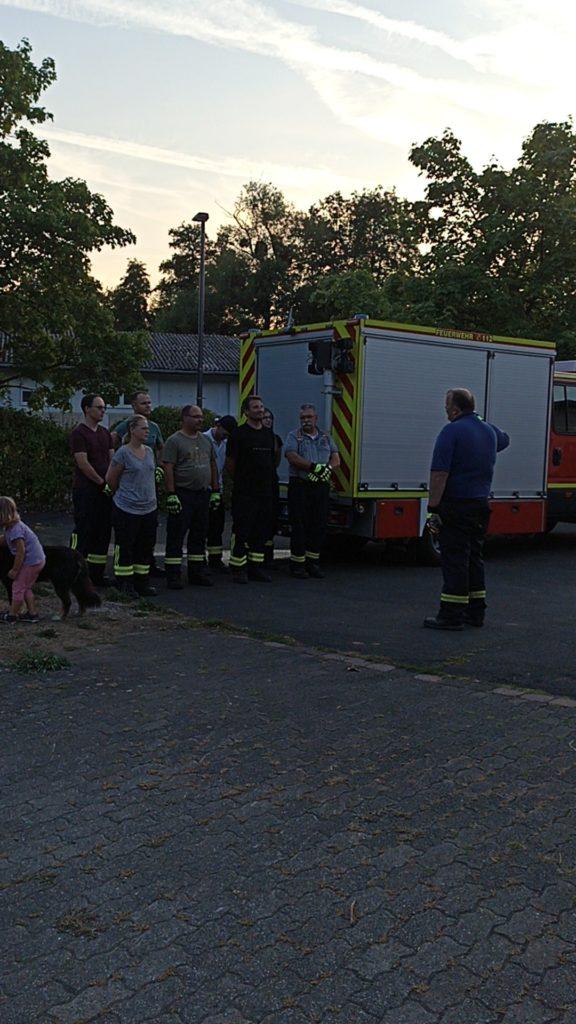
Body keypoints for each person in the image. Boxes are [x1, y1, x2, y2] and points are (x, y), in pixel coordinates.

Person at [424, 388, 510, 631]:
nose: (444, 409)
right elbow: (505, 440)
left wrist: (433, 508)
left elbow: (440, 473)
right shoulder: (488, 431)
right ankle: (476, 612)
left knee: (454, 559)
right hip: (480, 504)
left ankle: (451, 615)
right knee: (474, 557)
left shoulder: (450, 431)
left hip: (456, 504)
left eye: (446, 404)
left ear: (455, 409)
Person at [162, 405, 219, 589]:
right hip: (183, 494)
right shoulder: (174, 441)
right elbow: (168, 467)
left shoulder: (205, 440)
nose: (200, 420)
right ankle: (173, 575)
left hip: (202, 494)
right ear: (185, 418)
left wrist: (215, 490)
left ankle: (197, 572)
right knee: (176, 535)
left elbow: (212, 464)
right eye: (195, 417)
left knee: (199, 534)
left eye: (201, 417)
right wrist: (171, 493)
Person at [111, 391, 165, 577]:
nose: (148, 406)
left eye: (150, 403)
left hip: (147, 493)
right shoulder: (125, 428)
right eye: (144, 403)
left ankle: (146, 571)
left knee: (147, 538)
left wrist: (157, 468)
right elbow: (112, 445)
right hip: (129, 494)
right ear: (134, 405)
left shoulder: (154, 428)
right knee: (127, 540)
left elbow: (160, 449)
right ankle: (124, 579)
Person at [284, 404, 340, 579]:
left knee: (318, 525)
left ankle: (313, 563)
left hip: (320, 487)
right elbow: (291, 456)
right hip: (300, 485)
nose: (306, 420)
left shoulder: (325, 437)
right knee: (300, 526)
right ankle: (297, 565)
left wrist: (327, 469)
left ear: (316, 418)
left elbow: (336, 458)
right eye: (303, 418)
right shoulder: (294, 436)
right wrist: (313, 467)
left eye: (309, 417)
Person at [226, 395, 277, 584]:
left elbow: (273, 460)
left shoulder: (268, 434)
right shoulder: (238, 435)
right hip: (245, 493)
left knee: (261, 531)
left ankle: (256, 567)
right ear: (246, 412)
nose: (260, 410)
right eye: (255, 407)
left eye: (261, 407)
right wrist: (241, 481)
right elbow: (231, 464)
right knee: (242, 531)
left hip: (265, 492)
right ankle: (238, 568)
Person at [105, 415, 158, 598]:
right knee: (125, 546)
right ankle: (124, 583)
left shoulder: (150, 452)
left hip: (149, 508)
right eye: (143, 428)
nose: (147, 431)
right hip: (127, 508)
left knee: (145, 547)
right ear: (132, 430)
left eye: (147, 428)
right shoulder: (123, 453)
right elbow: (111, 479)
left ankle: (142, 582)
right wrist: (122, 496)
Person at [70, 394, 113, 587]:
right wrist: (101, 482)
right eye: (99, 407)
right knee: (84, 531)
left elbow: (112, 460)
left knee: (102, 532)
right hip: (86, 491)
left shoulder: (105, 433)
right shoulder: (79, 433)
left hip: (105, 492)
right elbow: (83, 463)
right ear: (87, 409)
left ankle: (96, 574)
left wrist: (111, 482)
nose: (103, 410)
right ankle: (74, 572)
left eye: (104, 407)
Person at [0, 496, 46, 623]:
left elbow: (21, 552)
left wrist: (15, 570)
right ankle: (33, 614)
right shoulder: (12, 526)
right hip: (36, 560)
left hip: (31, 562)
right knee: (26, 587)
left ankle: (13, 615)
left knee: (17, 586)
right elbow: (6, 539)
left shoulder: (15, 530)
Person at [203, 415, 237, 572]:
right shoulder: (203, 439)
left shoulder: (227, 443)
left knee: (217, 527)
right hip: (203, 490)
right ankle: (199, 561)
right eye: (225, 432)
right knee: (201, 527)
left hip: (219, 490)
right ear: (218, 426)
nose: (226, 436)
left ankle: (215, 560)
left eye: (229, 434)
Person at [261, 409, 283, 570]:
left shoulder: (276, 440)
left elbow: (276, 462)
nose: (267, 420)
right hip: (256, 485)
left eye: (270, 418)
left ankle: (268, 557)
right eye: (265, 418)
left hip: (271, 483)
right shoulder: (250, 436)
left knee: (270, 520)